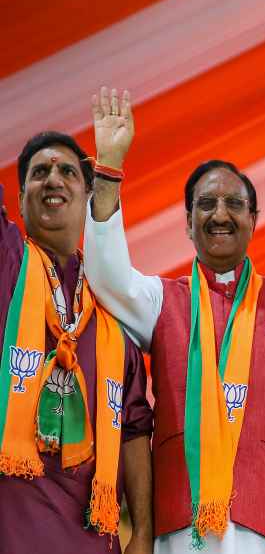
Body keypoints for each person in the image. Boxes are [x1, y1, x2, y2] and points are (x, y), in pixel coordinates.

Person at [84, 87, 265, 554]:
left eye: (234, 205)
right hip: (180, 527)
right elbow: (107, 278)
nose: (220, 214)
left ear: (254, 219)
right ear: (187, 222)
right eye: (206, 204)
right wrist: (109, 172)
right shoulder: (164, 300)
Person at [0, 130, 153, 554]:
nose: (53, 179)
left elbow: (136, 427)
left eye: (68, 171)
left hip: (93, 538)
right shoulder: (7, 264)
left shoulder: (111, 304)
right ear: (19, 194)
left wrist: (142, 532)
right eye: (40, 172)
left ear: (88, 196)